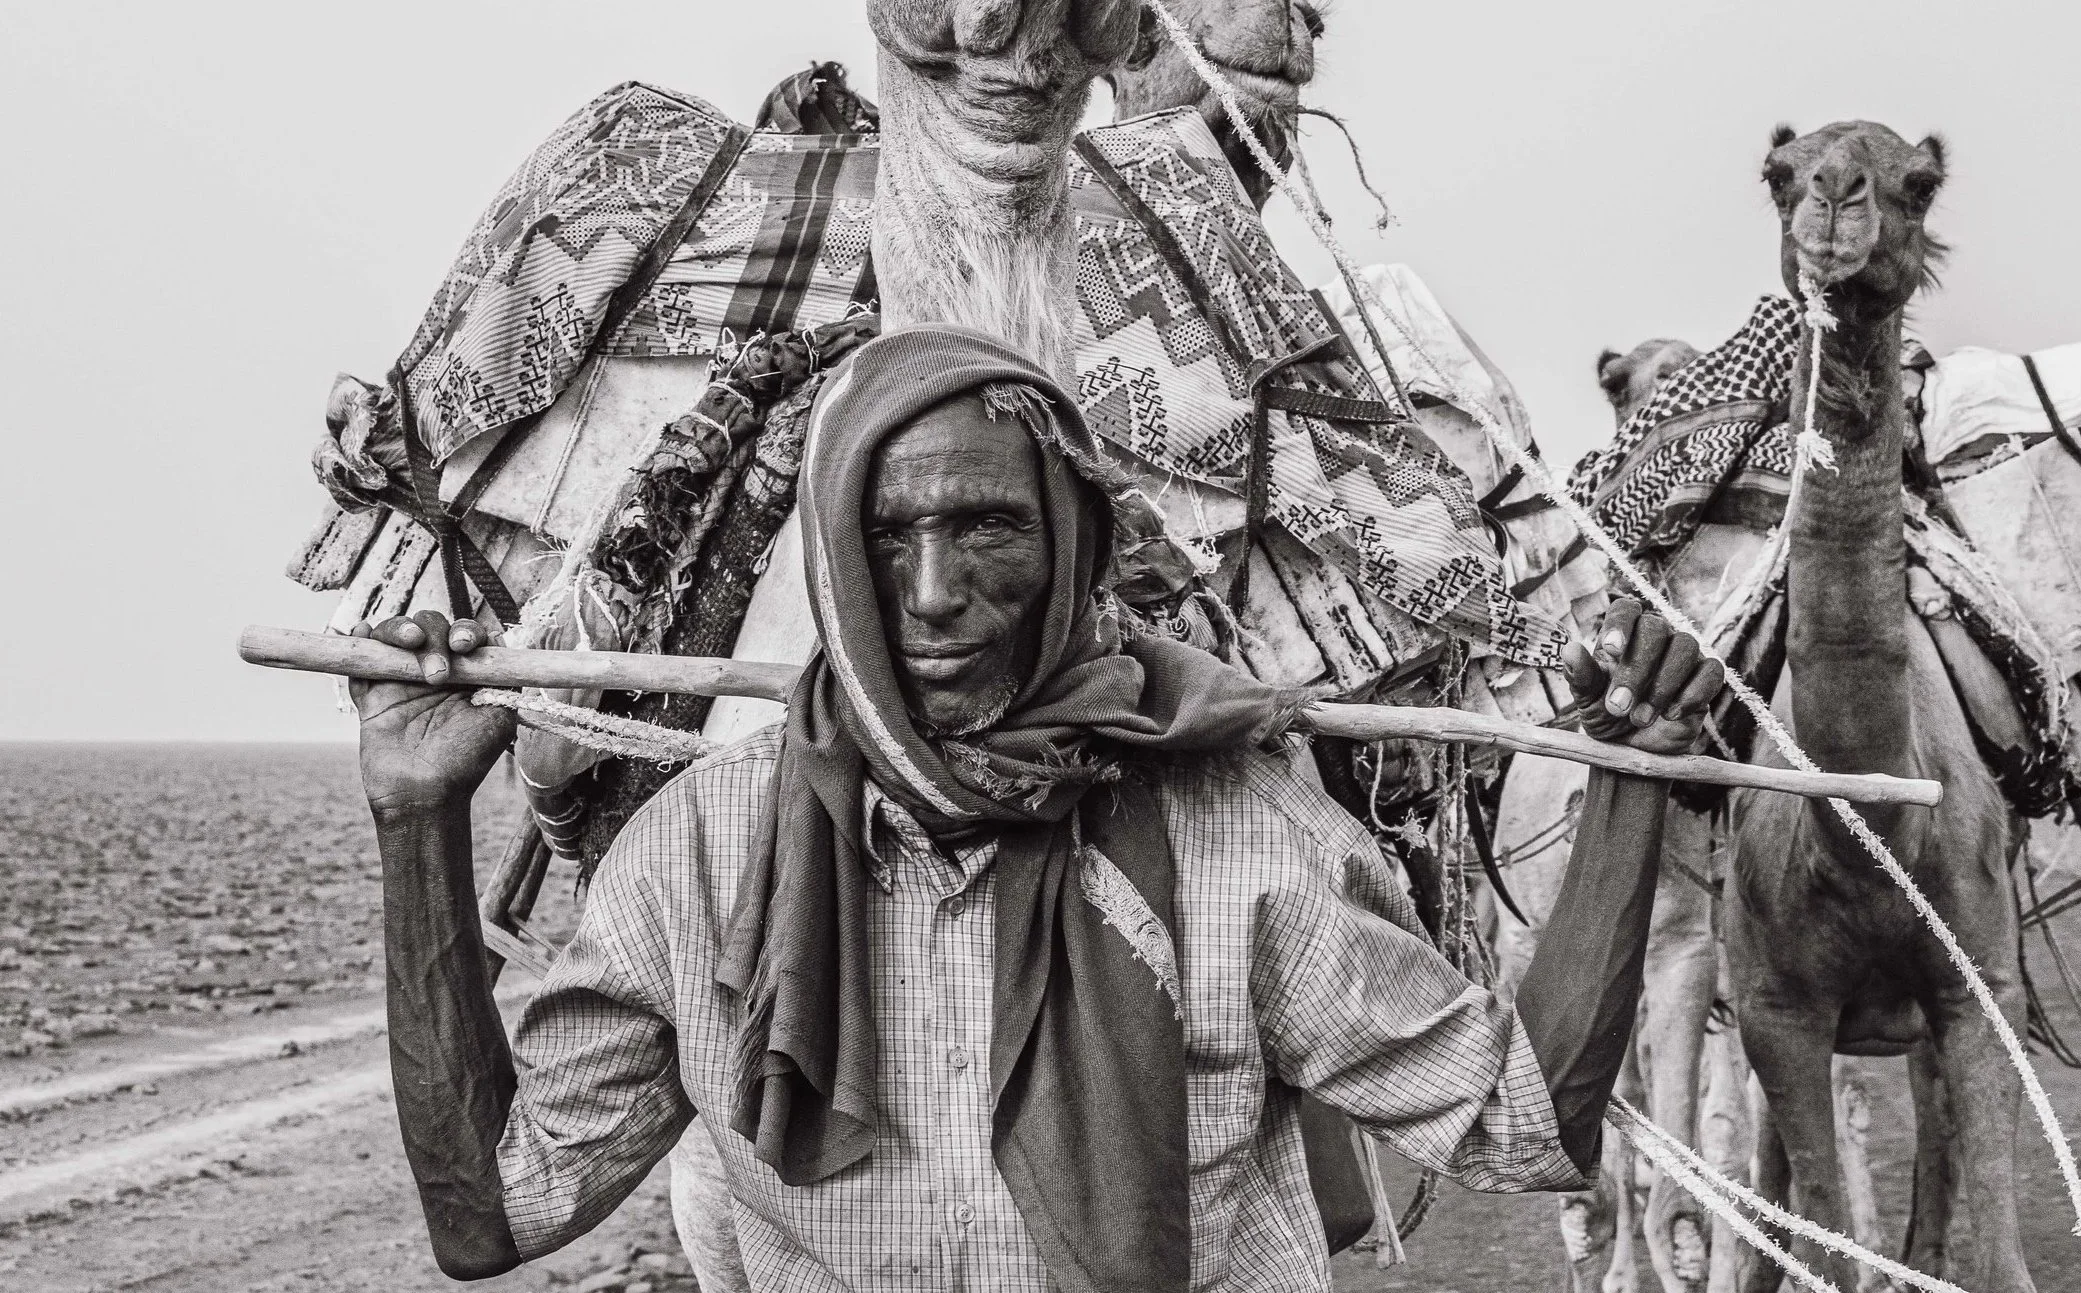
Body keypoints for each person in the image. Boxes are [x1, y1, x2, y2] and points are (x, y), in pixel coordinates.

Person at [350, 326, 1726, 1292]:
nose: (935, 591)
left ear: (1063, 542)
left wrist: (1629, 778)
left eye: (985, 529)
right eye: (887, 538)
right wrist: (417, 824)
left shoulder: (1239, 838)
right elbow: (489, 1217)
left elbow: (1522, 1129)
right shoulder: (701, 857)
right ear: (833, 556)